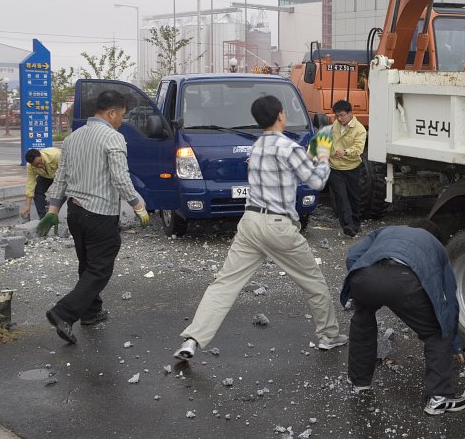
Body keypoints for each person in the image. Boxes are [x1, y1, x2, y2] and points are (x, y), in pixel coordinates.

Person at [173, 95, 348, 360]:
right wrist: (322, 155)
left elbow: (288, 168)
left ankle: (192, 340)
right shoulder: (288, 147)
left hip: (250, 224)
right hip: (279, 225)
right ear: (280, 115)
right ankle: (329, 336)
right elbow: (315, 181)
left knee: (224, 284)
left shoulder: (256, 148)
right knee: (314, 284)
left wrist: (311, 152)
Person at [40, 90, 149, 344]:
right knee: (100, 269)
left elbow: (62, 177)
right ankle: (63, 313)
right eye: (121, 115)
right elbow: (120, 179)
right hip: (100, 213)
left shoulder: (73, 138)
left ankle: (91, 312)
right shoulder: (113, 137)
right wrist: (138, 206)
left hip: (75, 214)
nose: (122, 120)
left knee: (87, 264)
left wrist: (53, 209)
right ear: (111, 113)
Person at [339, 220, 465, 416]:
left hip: (364, 276)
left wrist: (363, 280)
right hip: (404, 280)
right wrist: (455, 344)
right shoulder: (436, 247)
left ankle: (359, 382)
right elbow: (448, 298)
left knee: (363, 318)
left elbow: (353, 255)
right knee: (437, 331)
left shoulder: (386, 230)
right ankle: (440, 398)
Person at [328, 100, 367, 237]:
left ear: (350, 114)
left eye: (342, 115)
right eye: (336, 116)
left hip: (352, 167)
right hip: (335, 167)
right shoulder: (335, 125)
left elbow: (358, 148)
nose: (339, 119)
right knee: (341, 197)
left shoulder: (360, 130)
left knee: (354, 198)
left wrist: (345, 152)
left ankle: (355, 224)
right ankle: (347, 226)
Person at [21, 147, 64, 219]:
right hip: (46, 175)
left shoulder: (57, 155)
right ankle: (44, 217)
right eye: (36, 165)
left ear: (41, 155)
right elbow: (30, 185)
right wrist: (27, 205)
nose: (39, 165)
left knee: (63, 194)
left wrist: (53, 204)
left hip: (62, 174)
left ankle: (53, 213)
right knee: (36, 190)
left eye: (40, 162)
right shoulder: (30, 167)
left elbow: (65, 176)